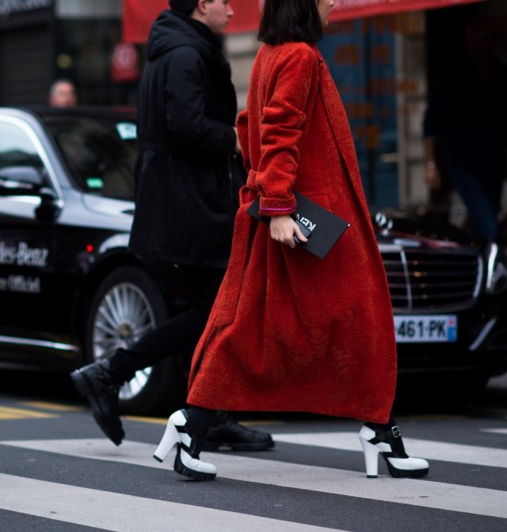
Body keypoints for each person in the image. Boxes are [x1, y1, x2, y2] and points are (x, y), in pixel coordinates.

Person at [151, 0, 431, 481]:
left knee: (259, 329)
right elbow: (280, 130)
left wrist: (272, 199)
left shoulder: (269, 54)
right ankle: (379, 432)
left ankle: (191, 424)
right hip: (308, 222)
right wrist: (278, 206)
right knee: (358, 324)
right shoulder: (299, 55)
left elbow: (251, 125)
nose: (335, 3)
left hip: (294, 216)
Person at [70, 0, 274, 453]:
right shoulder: (185, 54)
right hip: (194, 204)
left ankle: (210, 410)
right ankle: (112, 372)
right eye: (223, 1)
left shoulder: (178, 49)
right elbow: (186, 127)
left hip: (186, 201)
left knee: (213, 311)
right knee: (214, 311)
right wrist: (237, 138)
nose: (231, 9)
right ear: (202, 6)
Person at [423, 15, 507, 241]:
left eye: (490, 37)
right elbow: (431, 121)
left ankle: (470, 264)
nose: (486, 42)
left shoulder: (500, 75)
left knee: (485, 222)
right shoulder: (455, 77)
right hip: (464, 165)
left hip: (495, 164)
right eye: (480, 37)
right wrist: (431, 164)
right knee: (489, 226)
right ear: (469, 40)